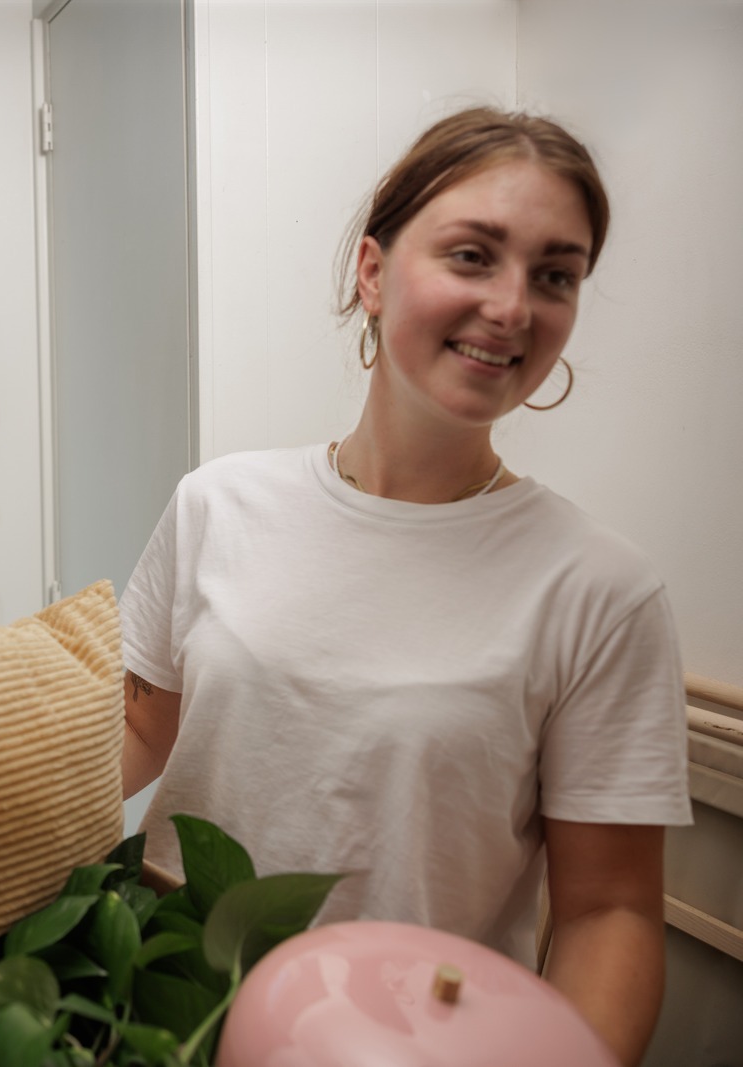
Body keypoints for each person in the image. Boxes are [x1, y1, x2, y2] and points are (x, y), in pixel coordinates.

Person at [118, 108, 689, 1067]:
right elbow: (140, 731)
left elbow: (608, 911)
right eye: (473, 256)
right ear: (373, 273)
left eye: (555, 275)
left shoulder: (600, 592)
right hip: (158, 1023)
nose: (513, 306)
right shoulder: (218, 502)